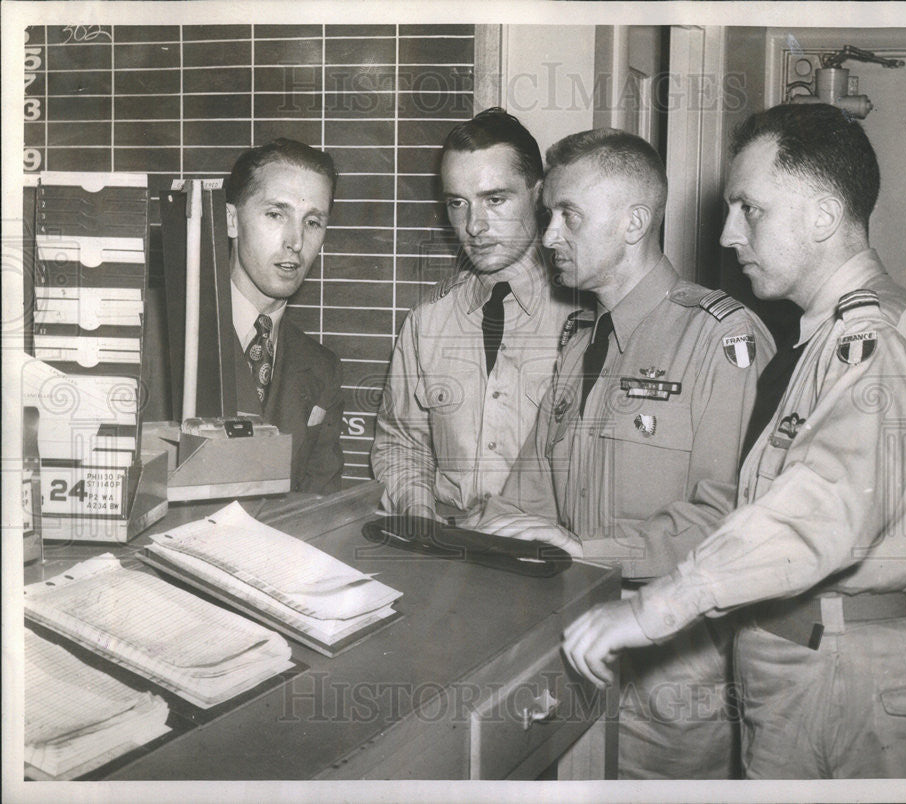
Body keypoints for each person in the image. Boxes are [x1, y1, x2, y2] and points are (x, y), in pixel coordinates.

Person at [562, 104, 906, 779]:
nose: (726, 233)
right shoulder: (818, 343)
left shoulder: (882, 338)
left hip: (849, 670)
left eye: (750, 209)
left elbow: (822, 509)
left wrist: (658, 606)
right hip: (802, 661)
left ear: (823, 216)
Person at [476, 128, 774, 779]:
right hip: (566, 664)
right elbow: (523, 495)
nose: (549, 236)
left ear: (635, 221)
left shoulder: (719, 338)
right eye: (549, 215)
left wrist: (579, 549)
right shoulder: (581, 340)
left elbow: (725, 521)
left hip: (668, 688)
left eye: (568, 216)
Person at [371, 108, 579, 521]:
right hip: (448, 544)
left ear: (538, 194)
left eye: (495, 199)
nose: (474, 226)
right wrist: (417, 511)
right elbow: (400, 443)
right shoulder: (428, 321)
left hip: (548, 555)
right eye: (458, 204)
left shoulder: (585, 317)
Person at [225, 138, 344, 494]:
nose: (295, 241)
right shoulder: (155, 336)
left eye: (312, 222)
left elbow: (320, 506)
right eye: (276, 214)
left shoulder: (323, 370)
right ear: (232, 220)